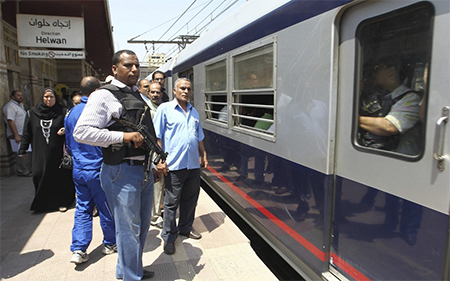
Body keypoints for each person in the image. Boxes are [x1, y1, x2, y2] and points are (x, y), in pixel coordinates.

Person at [74, 50, 159, 280]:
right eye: (128, 65)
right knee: (128, 230)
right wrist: (123, 137)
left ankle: (129, 270)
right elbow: (81, 132)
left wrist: (151, 166)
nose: (134, 69)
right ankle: (132, 276)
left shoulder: (133, 94)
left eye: (136, 65)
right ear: (114, 69)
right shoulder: (103, 95)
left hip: (142, 171)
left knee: (140, 228)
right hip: (121, 172)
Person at [153, 77, 208, 255]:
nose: (185, 91)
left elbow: (198, 137)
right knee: (171, 203)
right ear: (175, 91)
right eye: (182, 88)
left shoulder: (193, 112)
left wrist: (204, 155)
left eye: (188, 89)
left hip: (192, 164)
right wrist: (160, 160)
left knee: (191, 199)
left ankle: (185, 227)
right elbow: (157, 137)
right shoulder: (165, 109)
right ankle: (169, 236)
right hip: (174, 165)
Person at [65, 76, 116, 264]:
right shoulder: (97, 111)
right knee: (106, 207)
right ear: (97, 92)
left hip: (78, 169)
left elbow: (68, 144)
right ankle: (110, 243)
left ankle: (78, 249)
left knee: (82, 208)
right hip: (97, 168)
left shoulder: (71, 112)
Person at [18, 88, 75, 212]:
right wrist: (22, 149)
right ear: (42, 98)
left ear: (56, 98)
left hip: (58, 154)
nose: (48, 99)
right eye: (46, 97)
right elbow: (27, 133)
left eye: (51, 97)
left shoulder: (63, 112)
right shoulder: (32, 113)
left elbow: (72, 129)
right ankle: (43, 204)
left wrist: (66, 131)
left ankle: (62, 202)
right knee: (39, 174)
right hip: (40, 153)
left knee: (59, 177)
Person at [359, 57, 422, 155]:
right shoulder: (379, 95)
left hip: (397, 156)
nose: (373, 74)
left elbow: (389, 126)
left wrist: (355, 119)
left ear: (390, 71)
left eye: (376, 69)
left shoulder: (411, 98)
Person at [2, 90, 32, 177]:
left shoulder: (19, 106)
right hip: (17, 134)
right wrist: (16, 135)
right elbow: (11, 121)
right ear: (12, 97)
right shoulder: (10, 106)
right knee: (20, 153)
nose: (21, 97)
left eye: (21, 95)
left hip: (23, 133)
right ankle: (22, 171)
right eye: (18, 95)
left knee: (26, 152)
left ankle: (27, 169)